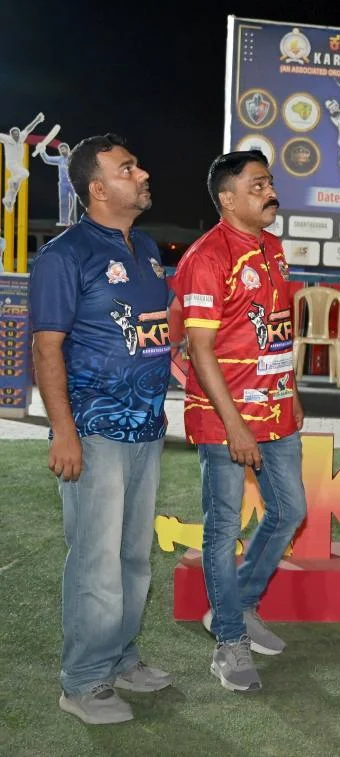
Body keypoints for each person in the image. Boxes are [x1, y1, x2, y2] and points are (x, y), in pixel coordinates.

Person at [29, 133, 173, 724]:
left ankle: (120, 658)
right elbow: (46, 348)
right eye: (127, 169)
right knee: (97, 562)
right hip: (94, 432)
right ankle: (84, 682)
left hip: (147, 430)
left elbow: (151, 330)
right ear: (98, 188)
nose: (142, 174)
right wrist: (63, 432)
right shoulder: (65, 255)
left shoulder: (147, 248)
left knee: (134, 558)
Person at [170, 149, 307, 693]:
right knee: (223, 527)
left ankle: (239, 605)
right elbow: (200, 350)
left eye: (269, 183)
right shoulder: (206, 256)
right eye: (257, 185)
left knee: (290, 510)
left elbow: (276, 330)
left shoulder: (272, 248)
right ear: (227, 199)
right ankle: (229, 642)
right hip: (224, 416)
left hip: (276, 407)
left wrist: (292, 391)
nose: (270, 192)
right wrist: (235, 426)